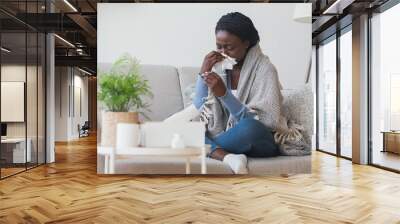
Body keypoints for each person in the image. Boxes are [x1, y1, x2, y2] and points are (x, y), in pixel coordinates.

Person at [193, 12, 286, 174]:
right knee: (183, 128)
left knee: (249, 128)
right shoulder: (220, 68)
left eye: (229, 47)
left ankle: (204, 146)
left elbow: (266, 121)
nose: (223, 52)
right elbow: (199, 109)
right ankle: (229, 157)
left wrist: (224, 95)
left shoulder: (265, 69)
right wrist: (203, 72)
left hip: (258, 139)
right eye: (219, 46)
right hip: (227, 137)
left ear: (246, 43)